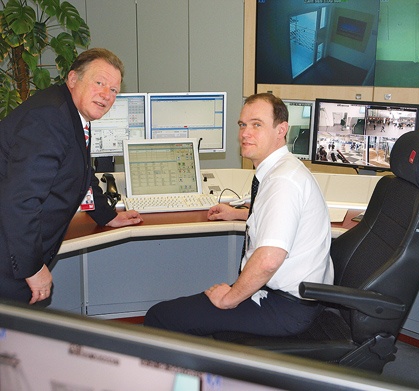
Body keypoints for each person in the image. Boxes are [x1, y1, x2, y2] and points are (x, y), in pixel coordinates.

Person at [144, 93, 333, 337]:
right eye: (242, 125)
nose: (245, 133)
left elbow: (268, 260)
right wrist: (239, 213)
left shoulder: (283, 182)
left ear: (281, 130)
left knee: (160, 317)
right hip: (297, 298)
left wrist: (229, 299)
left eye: (257, 125)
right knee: (190, 312)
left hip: (284, 307)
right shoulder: (284, 169)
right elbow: (277, 219)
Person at [0, 48, 142, 305]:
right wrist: (32, 268)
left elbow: (82, 172)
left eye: (114, 90)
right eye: (99, 83)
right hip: (9, 251)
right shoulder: (50, 118)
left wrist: (107, 216)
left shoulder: (70, 113)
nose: (106, 95)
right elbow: (20, 201)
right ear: (73, 79)